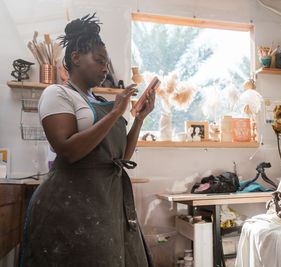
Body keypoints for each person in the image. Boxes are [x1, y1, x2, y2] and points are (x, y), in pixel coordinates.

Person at [21, 14, 157, 267]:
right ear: (75, 58)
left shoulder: (97, 100)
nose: (105, 68)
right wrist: (116, 112)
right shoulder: (57, 93)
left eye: (106, 63)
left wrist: (139, 118)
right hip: (69, 206)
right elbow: (68, 150)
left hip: (107, 202)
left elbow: (121, 159)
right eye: (100, 61)